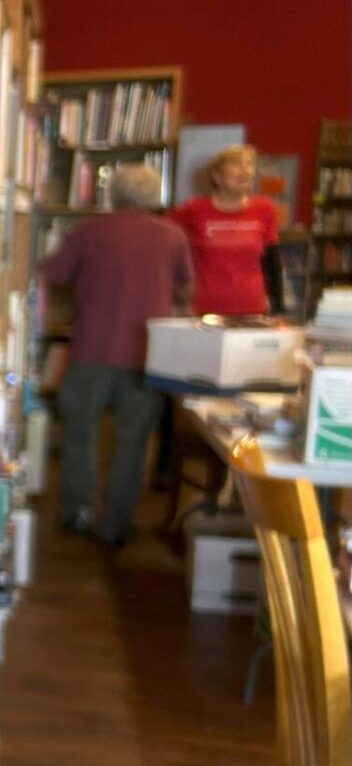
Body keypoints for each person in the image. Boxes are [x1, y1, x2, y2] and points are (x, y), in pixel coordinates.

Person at [41, 163, 193, 547]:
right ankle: (115, 524)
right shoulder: (172, 236)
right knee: (133, 443)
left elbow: (55, 273)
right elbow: (185, 291)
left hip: (92, 348)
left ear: (115, 194)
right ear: (154, 196)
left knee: (79, 435)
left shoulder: (90, 230)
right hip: (146, 354)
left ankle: (76, 512)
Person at [171, 144, 284, 316]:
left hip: (252, 308)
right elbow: (163, 243)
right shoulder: (193, 209)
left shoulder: (264, 208)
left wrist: (278, 305)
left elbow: (272, 261)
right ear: (217, 176)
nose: (245, 171)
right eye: (236, 165)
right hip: (203, 309)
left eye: (249, 165)